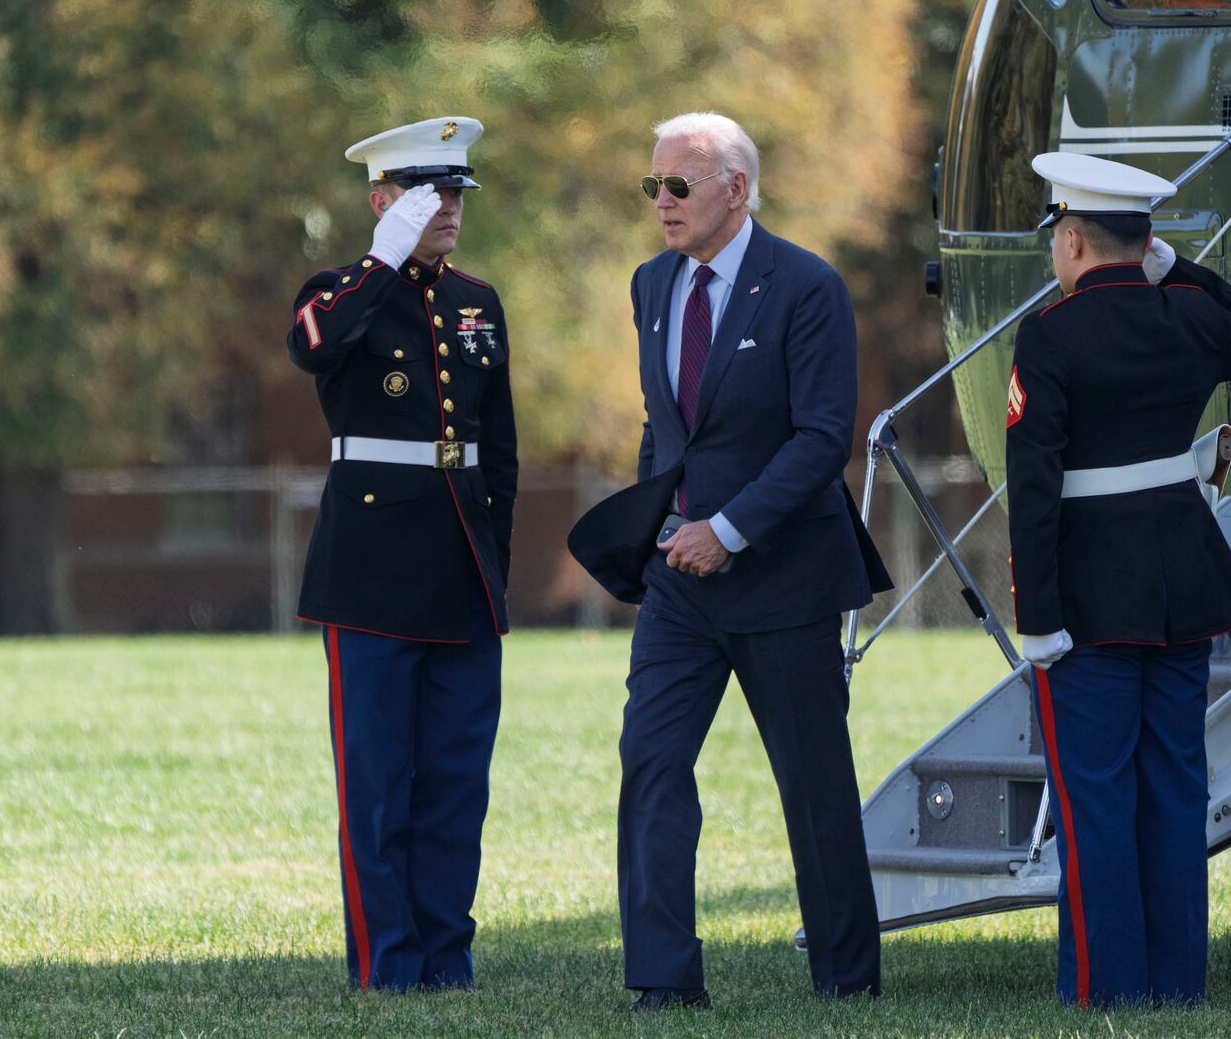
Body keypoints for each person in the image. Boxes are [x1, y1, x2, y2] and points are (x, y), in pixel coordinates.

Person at [570, 111, 893, 1010]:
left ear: (735, 189)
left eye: (679, 185)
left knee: (813, 782)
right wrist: (657, 530)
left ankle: (847, 977)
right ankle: (663, 981)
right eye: (653, 186)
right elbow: (663, 427)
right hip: (680, 585)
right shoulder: (651, 285)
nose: (662, 204)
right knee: (653, 762)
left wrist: (730, 528)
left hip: (784, 578)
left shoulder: (807, 286)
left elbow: (824, 437)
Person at [1007, 151, 1231, 1007]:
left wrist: (1037, 617)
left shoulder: (1050, 335)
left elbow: (1034, 488)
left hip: (1088, 600)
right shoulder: (1190, 318)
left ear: (1072, 238)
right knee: (1175, 792)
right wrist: (1181, 270)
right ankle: (1177, 987)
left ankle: (1105, 993)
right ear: (1148, 241)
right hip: (1180, 584)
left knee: (1095, 804)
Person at [285, 116, 516, 991]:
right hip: (370, 574)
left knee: (455, 786)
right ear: (382, 200)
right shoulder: (340, 288)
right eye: (427, 193)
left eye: (455, 191)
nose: (448, 208)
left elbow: (501, 453)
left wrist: (493, 565)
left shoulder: (477, 302)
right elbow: (313, 349)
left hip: (460, 567)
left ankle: (446, 962)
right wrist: (381, 261)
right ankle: (387, 966)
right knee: (378, 788)